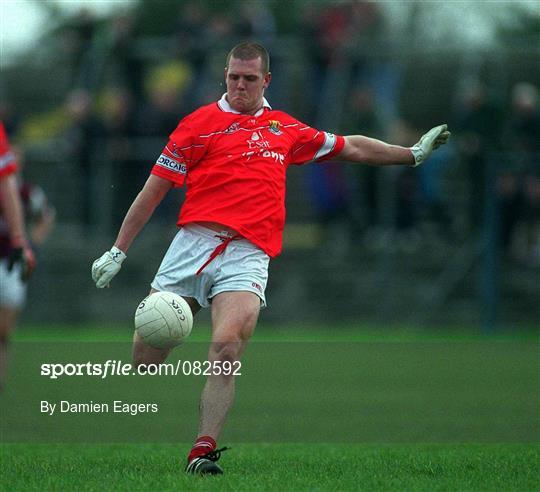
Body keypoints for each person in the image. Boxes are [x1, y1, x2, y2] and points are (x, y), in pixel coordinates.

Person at [91, 42, 450, 475]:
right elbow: (153, 190)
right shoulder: (196, 126)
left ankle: (201, 451)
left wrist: (409, 154)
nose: (240, 86)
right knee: (146, 361)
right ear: (225, 75)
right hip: (193, 245)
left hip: (248, 253)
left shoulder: (286, 129)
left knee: (227, 348)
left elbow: (351, 146)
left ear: (266, 80)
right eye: (233, 77)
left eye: (249, 78)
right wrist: (118, 250)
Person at [0, 123, 37, 391]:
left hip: (8, 261)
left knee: (4, 332)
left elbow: (46, 215)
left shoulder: (25, 192)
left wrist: (24, 242)